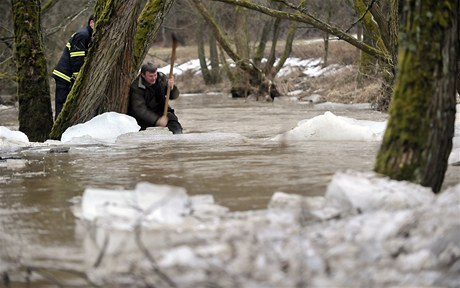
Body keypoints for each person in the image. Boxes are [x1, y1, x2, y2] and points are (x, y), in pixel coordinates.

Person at [52, 15, 94, 120]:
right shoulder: (83, 35)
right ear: (91, 23)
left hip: (67, 76)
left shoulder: (88, 35)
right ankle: (58, 133)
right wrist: (77, 77)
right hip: (64, 76)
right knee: (62, 106)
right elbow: (77, 58)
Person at [128, 62, 183, 134]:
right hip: (144, 117)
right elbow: (139, 109)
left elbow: (174, 96)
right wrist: (157, 120)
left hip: (161, 111)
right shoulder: (136, 87)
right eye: (150, 76)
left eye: (155, 75)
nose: (154, 78)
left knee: (174, 123)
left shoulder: (161, 78)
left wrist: (172, 88)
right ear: (143, 75)